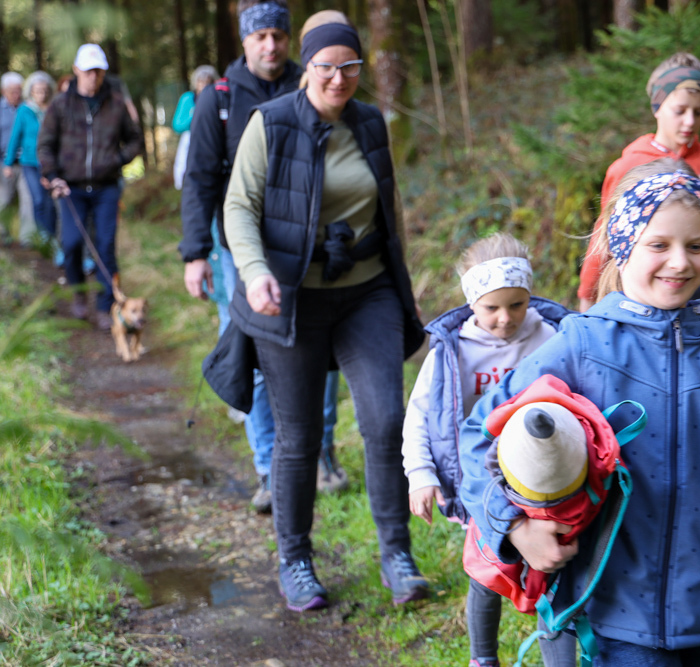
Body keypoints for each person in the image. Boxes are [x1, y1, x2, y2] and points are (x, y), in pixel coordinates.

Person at [460, 161, 700, 666]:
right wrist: (514, 528)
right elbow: (477, 434)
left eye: (696, 246)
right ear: (622, 245)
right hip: (603, 620)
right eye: (659, 245)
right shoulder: (580, 346)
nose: (679, 262)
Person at [219, 15, 426, 612]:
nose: (339, 78)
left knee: (386, 421)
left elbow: (387, 207)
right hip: (291, 297)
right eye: (327, 67)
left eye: (350, 67)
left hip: (366, 291)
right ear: (306, 69)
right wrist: (255, 272)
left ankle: (397, 554)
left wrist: (402, 281)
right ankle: (296, 561)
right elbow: (239, 207)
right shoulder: (270, 123)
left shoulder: (369, 122)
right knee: (300, 436)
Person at [179, 0, 346, 514]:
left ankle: (322, 453)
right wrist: (195, 253)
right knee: (253, 353)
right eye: (260, 37)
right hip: (242, 248)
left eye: (278, 35)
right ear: (244, 41)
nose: (270, 45)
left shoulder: (313, 83)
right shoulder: (219, 99)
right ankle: (269, 466)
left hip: (311, 248)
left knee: (321, 351)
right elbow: (199, 179)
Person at [401, 233, 571, 667]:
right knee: (488, 568)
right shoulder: (453, 350)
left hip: (545, 474)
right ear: (471, 301)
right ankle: (483, 658)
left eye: (517, 304)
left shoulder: (552, 337)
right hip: (482, 479)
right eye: (491, 307)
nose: (505, 318)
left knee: (553, 572)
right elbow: (420, 414)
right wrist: (421, 474)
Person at [577, 52, 700, 327]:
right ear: (657, 107)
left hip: (698, 295)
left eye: (698, 112)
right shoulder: (629, 165)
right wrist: (588, 298)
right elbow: (604, 235)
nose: (690, 121)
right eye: (680, 111)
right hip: (633, 295)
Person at [37, 44, 143, 330]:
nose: (93, 76)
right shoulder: (60, 105)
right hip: (70, 188)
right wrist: (53, 175)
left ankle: (105, 305)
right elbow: (45, 144)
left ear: (104, 72)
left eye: (98, 71)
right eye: (87, 71)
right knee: (71, 243)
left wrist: (117, 160)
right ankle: (78, 293)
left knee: (105, 245)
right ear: (76, 71)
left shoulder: (116, 104)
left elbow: (135, 139)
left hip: (106, 187)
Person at [4, 71, 58, 255]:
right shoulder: (24, 110)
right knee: (38, 199)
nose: (42, 94)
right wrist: (8, 163)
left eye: (44, 90)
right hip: (29, 162)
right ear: (31, 92)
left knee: (50, 201)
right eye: (38, 90)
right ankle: (42, 235)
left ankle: (51, 236)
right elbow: (15, 137)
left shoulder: (53, 109)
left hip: (49, 163)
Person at [0, 71, 35, 246]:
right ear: (3, 91)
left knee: (28, 200)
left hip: (26, 162)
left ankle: (27, 238)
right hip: (3, 162)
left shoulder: (28, 109)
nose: (17, 94)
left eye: (19, 90)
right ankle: (2, 234)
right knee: (4, 200)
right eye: (12, 91)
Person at [172, 64, 219, 190]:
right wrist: (196, 114)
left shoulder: (217, 98)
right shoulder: (188, 99)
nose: (204, 85)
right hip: (190, 139)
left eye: (207, 82)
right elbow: (177, 126)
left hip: (211, 139)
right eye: (201, 81)